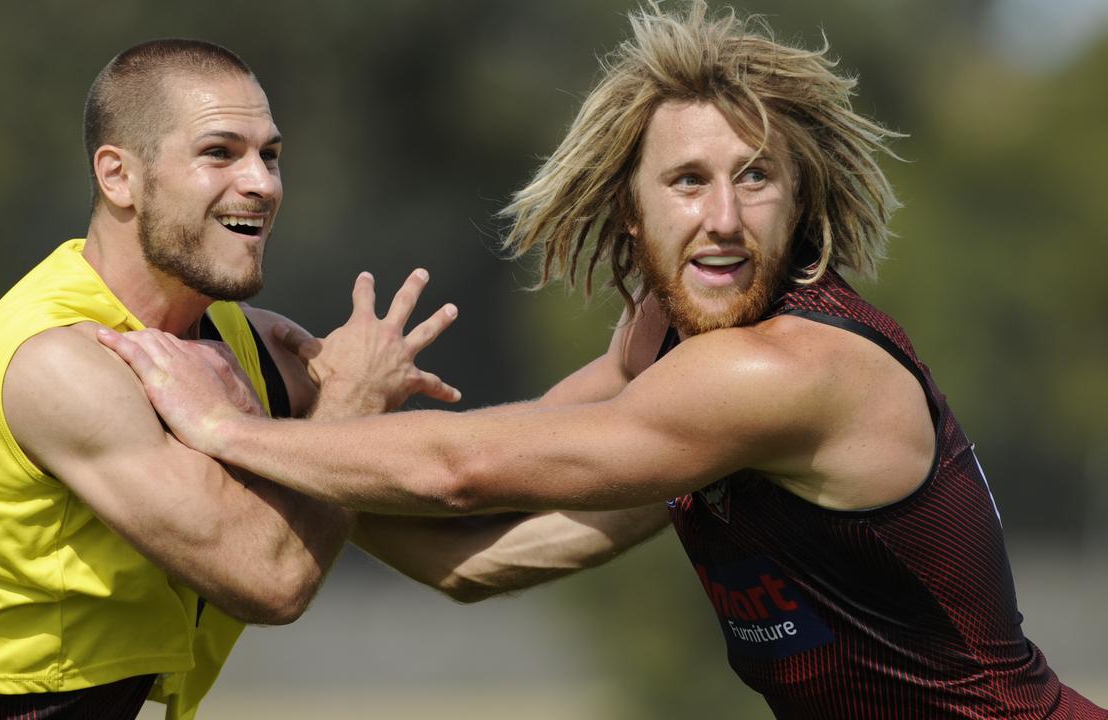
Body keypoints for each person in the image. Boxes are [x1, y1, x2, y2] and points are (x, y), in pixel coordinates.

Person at [98, 4, 1107, 718]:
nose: (721, 217)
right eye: (686, 180)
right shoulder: (668, 369)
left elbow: (458, 470)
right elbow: (479, 558)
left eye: (755, 178)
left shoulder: (781, 374)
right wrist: (310, 445)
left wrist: (226, 427)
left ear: (798, 207)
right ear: (632, 209)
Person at [0, 39, 459, 720]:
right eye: (221, 152)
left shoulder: (257, 349)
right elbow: (271, 577)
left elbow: (471, 543)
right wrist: (356, 401)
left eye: (270, 155)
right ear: (118, 176)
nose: (264, 183)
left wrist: (595, 437)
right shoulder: (56, 362)